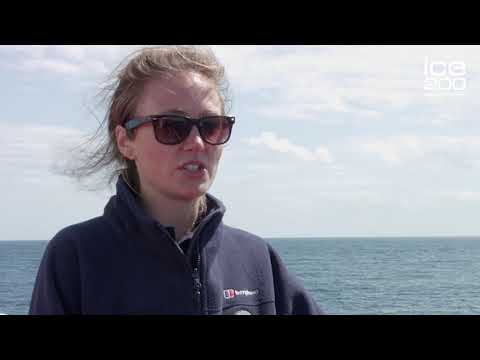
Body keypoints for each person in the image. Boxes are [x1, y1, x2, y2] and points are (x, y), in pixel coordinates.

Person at [29, 46, 323, 315]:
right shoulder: (76, 258)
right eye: (171, 127)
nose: (196, 143)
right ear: (125, 141)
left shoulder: (256, 259)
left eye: (211, 126)